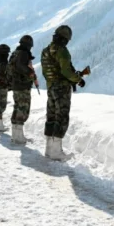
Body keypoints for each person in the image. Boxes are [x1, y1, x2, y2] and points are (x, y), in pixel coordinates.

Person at [41, 25, 85, 161]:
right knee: (62, 117)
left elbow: (45, 71)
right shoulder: (62, 51)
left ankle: (49, 149)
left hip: (51, 87)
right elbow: (66, 71)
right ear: (65, 39)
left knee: (51, 115)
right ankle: (56, 152)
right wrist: (78, 79)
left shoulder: (46, 50)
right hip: (62, 89)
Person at [7, 35, 39, 144]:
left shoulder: (15, 53)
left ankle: (16, 135)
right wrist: (30, 73)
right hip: (22, 85)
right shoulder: (23, 53)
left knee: (17, 107)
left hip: (16, 84)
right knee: (23, 109)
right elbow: (21, 66)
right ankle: (18, 137)